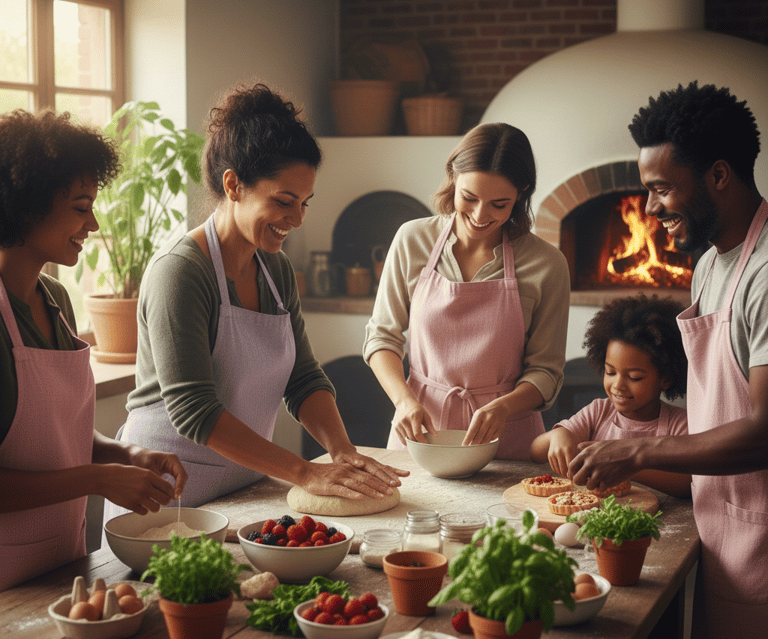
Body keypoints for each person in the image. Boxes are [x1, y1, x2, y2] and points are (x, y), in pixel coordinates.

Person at [117, 82, 407, 508]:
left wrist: (343, 451)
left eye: (305, 203)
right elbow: (193, 409)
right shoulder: (181, 273)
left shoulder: (275, 270)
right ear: (233, 185)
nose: (297, 218)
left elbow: (303, 379)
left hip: (242, 486)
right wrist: (306, 472)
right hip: (166, 492)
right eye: (284, 201)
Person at [567, 82, 768, 639]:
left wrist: (637, 450)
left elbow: (766, 430)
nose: (651, 208)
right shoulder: (709, 266)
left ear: (720, 176)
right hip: (718, 528)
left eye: (661, 189)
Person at [0, 109, 188, 592]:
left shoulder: (56, 300)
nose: (94, 222)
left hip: (61, 564)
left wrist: (124, 454)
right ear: (25, 206)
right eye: (81, 206)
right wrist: (96, 480)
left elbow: (56, 438)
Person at [364, 123, 570, 459]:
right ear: (452, 179)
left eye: (498, 204)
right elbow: (382, 338)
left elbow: (546, 371)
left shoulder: (547, 264)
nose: (479, 215)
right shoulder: (412, 240)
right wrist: (404, 401)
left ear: (522, 192)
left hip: (507, 437)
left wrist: (503, 408)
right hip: (421, 432)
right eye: (469, 198)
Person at [530, 294, 691, 497]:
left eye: (634, 377)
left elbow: (687, 484)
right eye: (610, 372)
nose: (618, 385)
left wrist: (628, 464)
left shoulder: (679, 425)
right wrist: (558, 436)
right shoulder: (599, 412)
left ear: (666, 379)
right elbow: (535, 452)